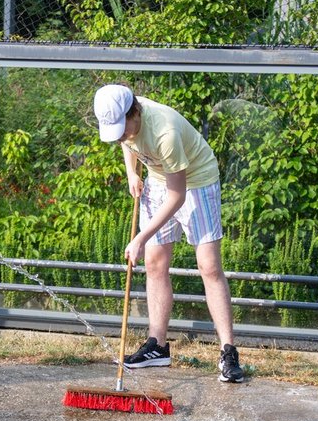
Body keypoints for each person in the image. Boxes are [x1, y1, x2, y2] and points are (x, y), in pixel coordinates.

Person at [93, 84, 245, 383]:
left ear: (134, 113)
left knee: (209, 266)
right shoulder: (124, 115)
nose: (121, 136)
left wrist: (141, 237)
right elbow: (127, 141)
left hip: (197, 182)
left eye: (123, 128)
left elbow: (178, 196)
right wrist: (132, 173)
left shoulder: (165, 132)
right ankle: (158, 346)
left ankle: (228, 352)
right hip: (158, 180)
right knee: (154, 264)